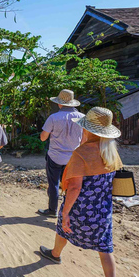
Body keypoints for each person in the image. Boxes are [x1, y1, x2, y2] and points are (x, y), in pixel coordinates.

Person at [39, 107, 123, 277]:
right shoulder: (111, 152)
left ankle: (56, 254)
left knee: (63, 225)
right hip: (102, 210)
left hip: (81, 208)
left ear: (88, 130)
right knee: (105, 247)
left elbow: (75, 187)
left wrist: (66, 211)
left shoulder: (81, 153)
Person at [38, 89, 85, 218]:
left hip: (55, 156)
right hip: (73, 158)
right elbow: (84, 140)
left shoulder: (53, 118)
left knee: (53, 184)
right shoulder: (82, 118)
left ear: (60, 104)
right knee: (72, 185)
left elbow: (43, 137)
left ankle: (52, 210)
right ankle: (70, 211)